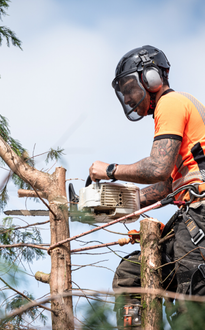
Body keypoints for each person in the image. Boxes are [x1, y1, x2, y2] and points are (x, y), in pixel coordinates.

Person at [89, 45, 205, 328]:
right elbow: (167, 184)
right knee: (132, 273)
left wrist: (110, 170)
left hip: (200, 215)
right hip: (190, 214)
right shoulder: (175, 114)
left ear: (152, 78)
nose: (128, 97)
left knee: (195, 304)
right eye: (124, 91)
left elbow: (157, 167)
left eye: (130, 87)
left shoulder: (172, 103)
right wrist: (116, 204)